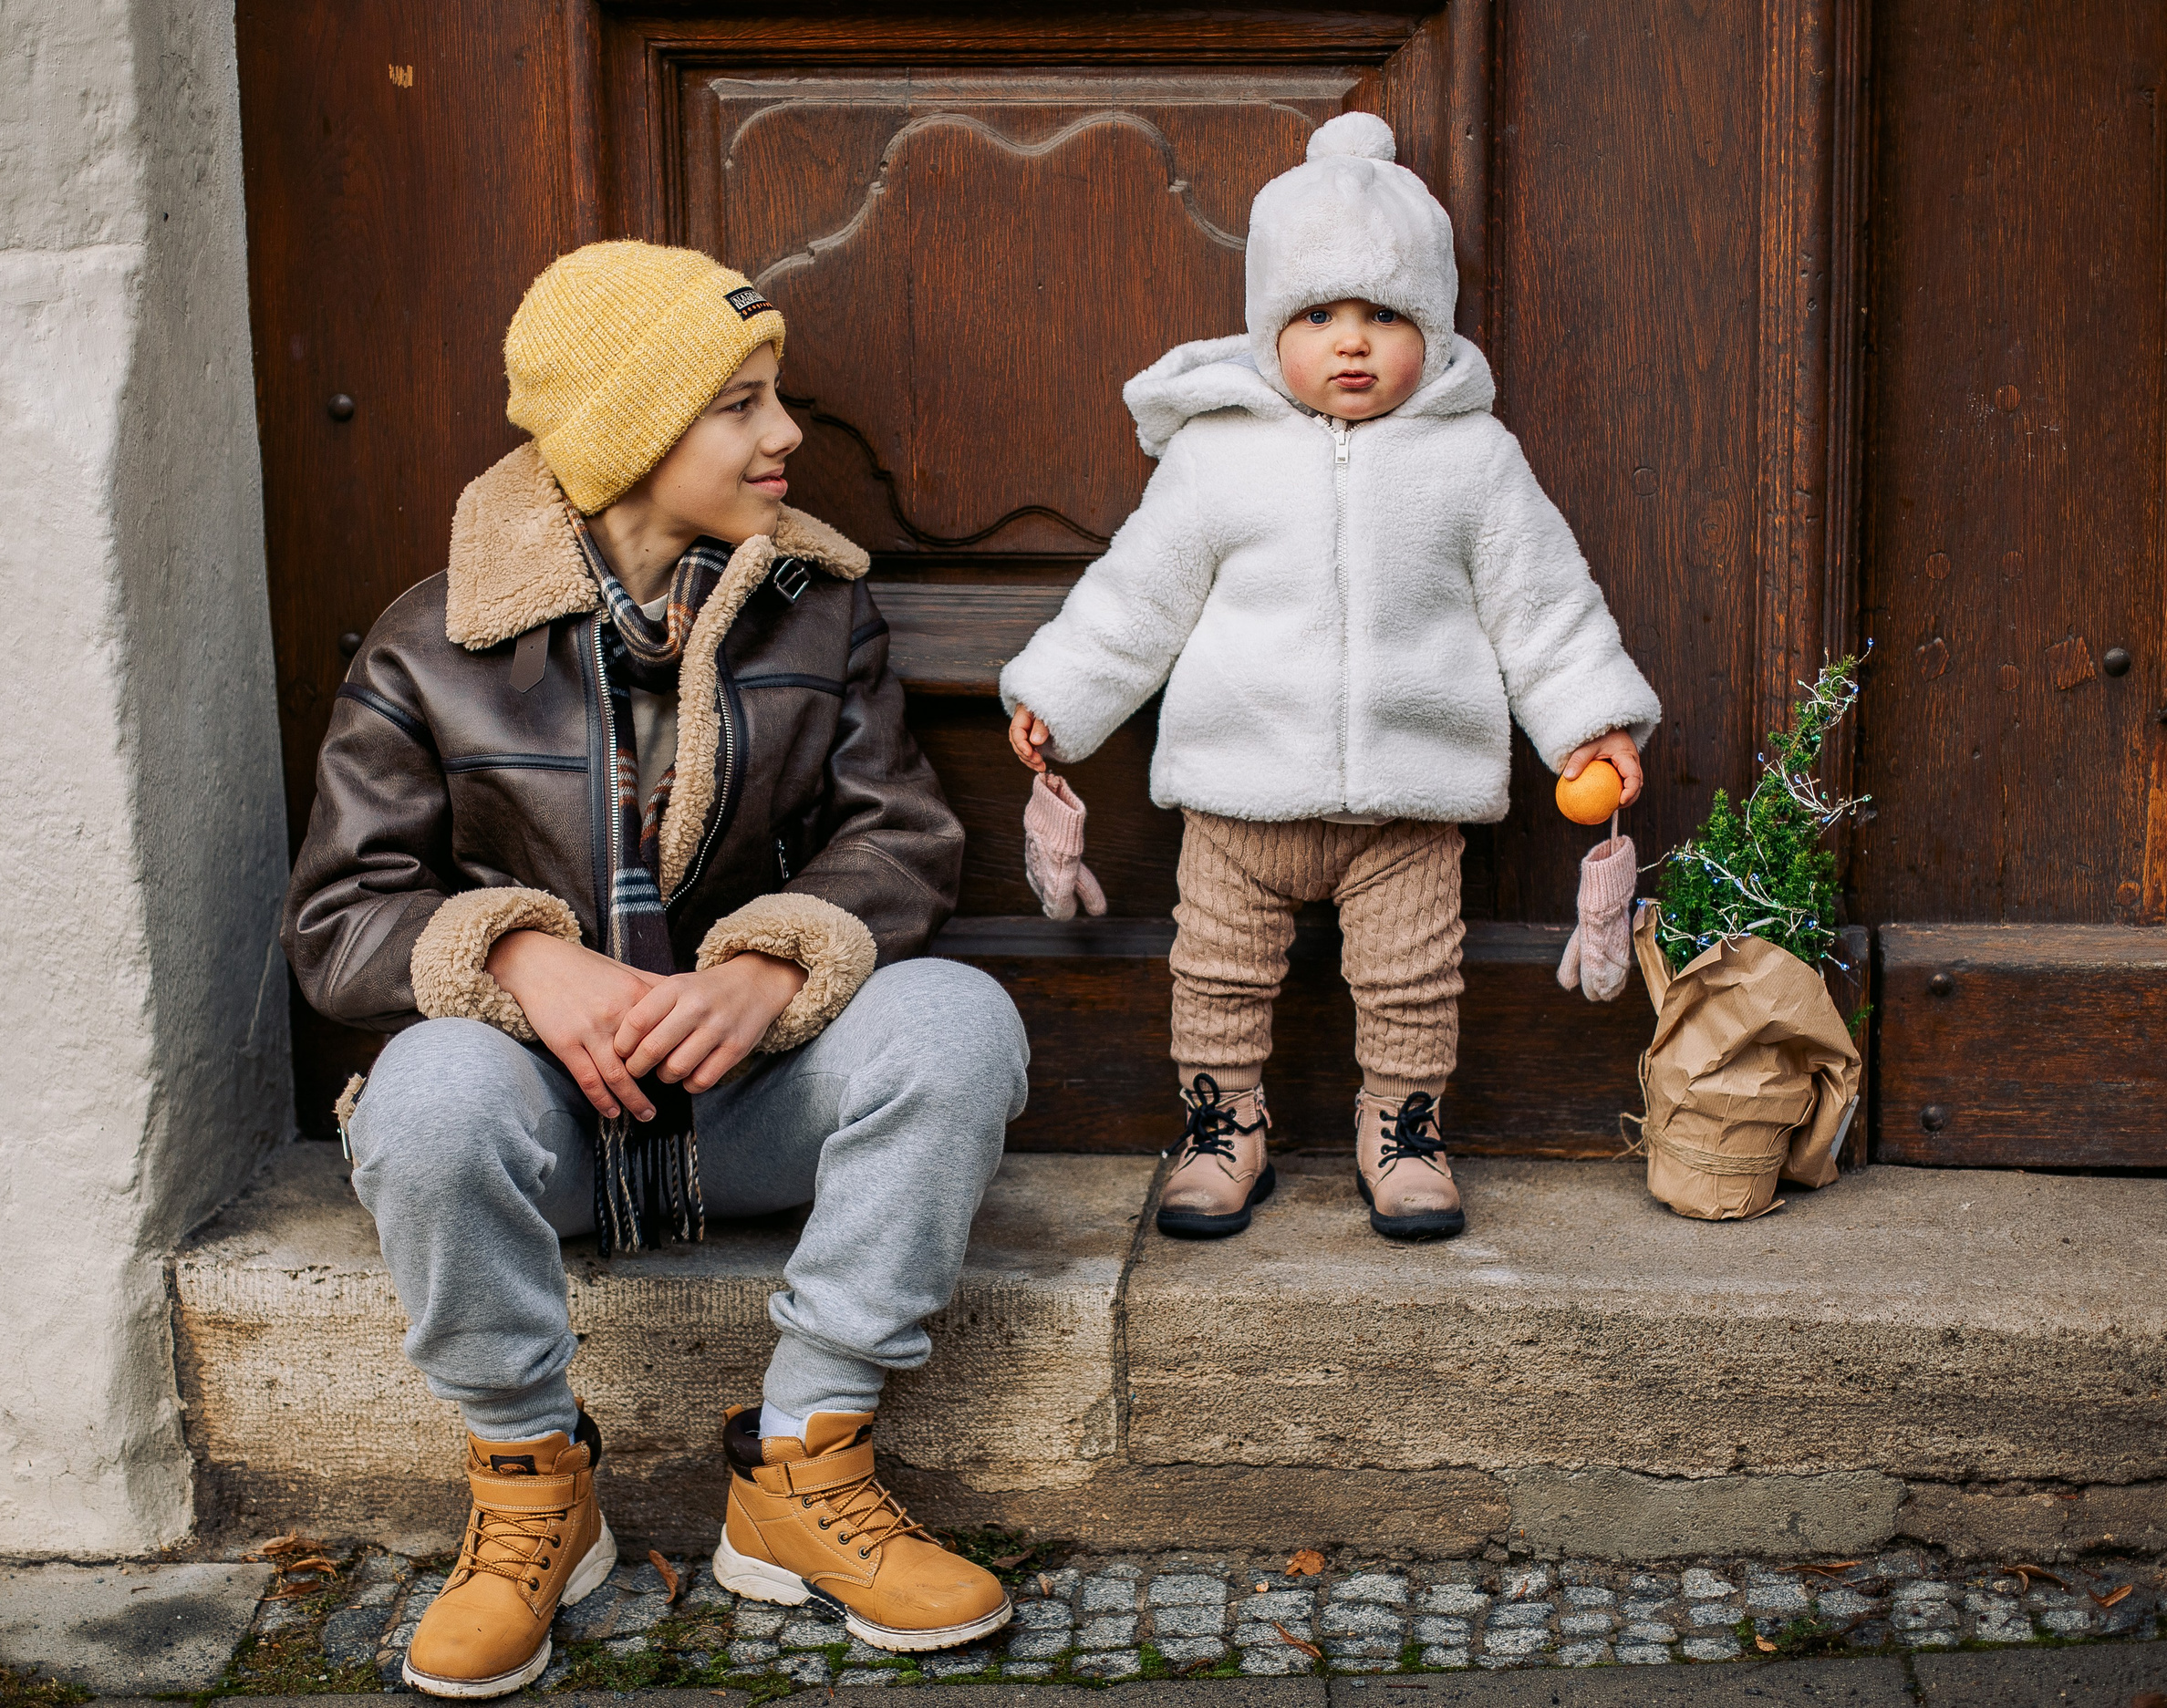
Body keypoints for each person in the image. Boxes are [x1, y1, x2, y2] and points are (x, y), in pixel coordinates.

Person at [283, 240, 1027, 1699]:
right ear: (629, 434)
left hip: (753, 1103)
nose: (787, 435)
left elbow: (903, 843)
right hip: (542, 1127)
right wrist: (517, 954)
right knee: (421, 1098)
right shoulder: (428, 642)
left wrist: (770, 965)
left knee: (959, 1022)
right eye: (740, 405)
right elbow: (340, 916)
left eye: (778, 398)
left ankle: (804, 1470)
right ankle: (529, 1488)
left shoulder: (821, 612)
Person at [1000, 114, 1659, 1244]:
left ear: (1431, 329)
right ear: (1269, 330)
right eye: (1317, 315)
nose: (1351, 345)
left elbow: (1539, 599)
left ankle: (1401, 1128)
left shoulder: (1472, 458)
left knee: (1410, 983)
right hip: (1237, 794)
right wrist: (1058, 695)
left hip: (1406, 799)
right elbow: (1137, 593)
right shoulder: (1218, 454)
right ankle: (1223, 1127)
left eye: (1385, 316)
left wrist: (1589, 722)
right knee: (1215, 971)